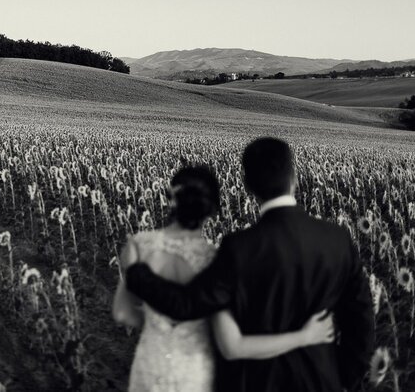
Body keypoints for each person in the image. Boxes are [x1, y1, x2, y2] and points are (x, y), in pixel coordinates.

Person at [125, 138, 375, 392]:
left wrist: (137, 272)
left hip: (259, 382)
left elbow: (186, 304)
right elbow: (361, 319)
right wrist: (344, 378)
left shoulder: (239, 248)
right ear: (294, 177)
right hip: (321, 381)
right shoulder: (336, 239)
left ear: (247, 186)